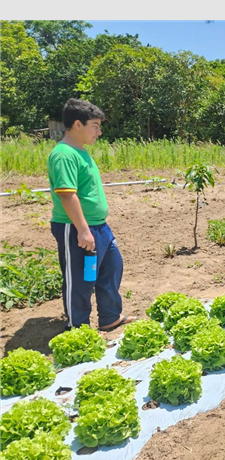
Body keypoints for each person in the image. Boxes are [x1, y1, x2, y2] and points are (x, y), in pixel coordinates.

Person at [48, 98, 137, 331]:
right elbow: (67, 196)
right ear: (78, 124)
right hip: (76, 227)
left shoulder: (81, 152)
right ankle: (78, 327)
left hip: (99, 226)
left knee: (111, 268)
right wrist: (83, 231)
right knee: (80, 280)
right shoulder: (64, 154)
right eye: (95, 125)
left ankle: (109, 317)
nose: (99, 131)